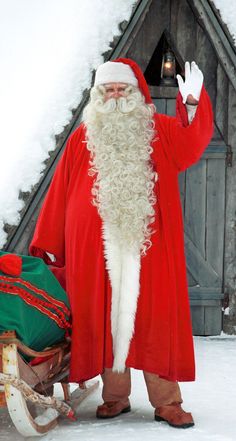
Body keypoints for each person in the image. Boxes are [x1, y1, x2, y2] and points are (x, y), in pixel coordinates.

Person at [29, 58, 213, 428]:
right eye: (108, 90)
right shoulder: (84, 136)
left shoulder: (157, 129)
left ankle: (167, 401)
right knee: (104, 319)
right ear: (98, 95)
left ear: (135, 93)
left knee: (156, 318)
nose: (115, 96)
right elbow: (61, 189)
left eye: (121, 89)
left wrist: (191, 105)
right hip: (95, 247)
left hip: (149, 243)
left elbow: (191, 145)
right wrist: (50, 240)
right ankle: (116, 397)